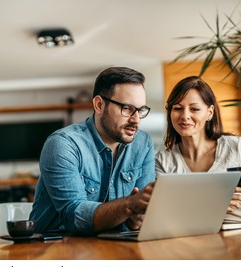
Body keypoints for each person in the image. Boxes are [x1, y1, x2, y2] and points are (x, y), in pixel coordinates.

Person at [29, 66, 156, 234]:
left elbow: (141, 216)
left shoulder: (143, 143)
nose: (136, 120)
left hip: (116, 246)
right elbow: (73, 215)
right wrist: (129, 205)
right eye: (127, 108)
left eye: (140, 110)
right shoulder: (63, 144)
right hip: (54, 248)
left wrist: (137, 217)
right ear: (99, 105)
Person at [155, 76, 241, 229]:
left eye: (194, 109)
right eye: (178, 108)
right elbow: (165, 215)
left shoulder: (236, 147)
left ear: (210, 112)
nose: (185, 115)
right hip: (193, 239)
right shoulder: (163, 160)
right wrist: (208, 203)